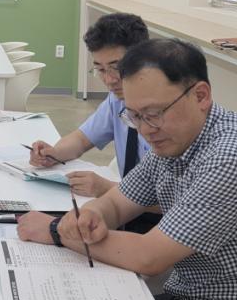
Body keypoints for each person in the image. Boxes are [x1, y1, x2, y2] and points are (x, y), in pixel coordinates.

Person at [17, 39, 237, 300]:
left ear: (200, 96)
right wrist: (91, 214)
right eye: (135, 116)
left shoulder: (230, 158)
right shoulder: (174, 139)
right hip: (185, 297)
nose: (146, 130)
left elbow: (149, 257)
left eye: (154, 114)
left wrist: (56, 231)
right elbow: (117, 203)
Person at [29, 13, 152, 202]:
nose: (109, 80)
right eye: (100, 70)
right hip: (126, 204)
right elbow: (81, 139)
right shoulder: (116, 100)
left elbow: (176, 199)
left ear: (143, 59)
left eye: (116, 67)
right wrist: (54, 154)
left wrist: (107, 188)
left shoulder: (166, 112)